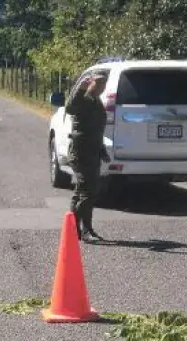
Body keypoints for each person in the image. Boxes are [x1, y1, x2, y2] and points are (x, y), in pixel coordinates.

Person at [65, 74, 111, 242]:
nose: (101, 86)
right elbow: (70, 107)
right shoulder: (83, 98)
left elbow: (95, 129)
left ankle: (84, 228)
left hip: (93, 151)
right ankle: (75, 228)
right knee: (87, 191)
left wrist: (102, 149)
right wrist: (80, 88)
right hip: (81, 152)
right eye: (98, 83)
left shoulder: (95, 100)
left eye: (104, 83)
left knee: (85, 191)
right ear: (90, 83)